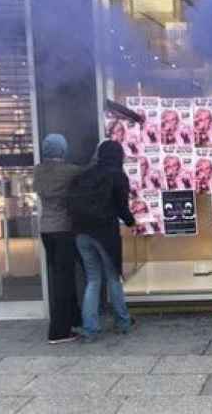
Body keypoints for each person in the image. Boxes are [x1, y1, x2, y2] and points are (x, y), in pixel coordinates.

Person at [69, 140, 137, 342]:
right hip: (105, 234)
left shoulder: (84, 174)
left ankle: (90, 328)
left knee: (93, 280)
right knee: (113, 278)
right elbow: (122, 207)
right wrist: (132, 222)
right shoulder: (117, 175)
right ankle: (123, 322)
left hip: (81, 232)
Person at [31, 134, 83, 344]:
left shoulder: (38, 170)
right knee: (64, 280)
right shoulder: (70, 171)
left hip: (46, 230)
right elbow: (87, 172)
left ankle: (71, 319)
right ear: (63, 150)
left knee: (59, 278)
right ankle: (59, 331)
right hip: (63, 229)